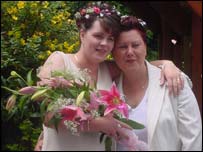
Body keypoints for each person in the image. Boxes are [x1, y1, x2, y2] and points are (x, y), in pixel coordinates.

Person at [34, 2, 184, 151]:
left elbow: (138, 63)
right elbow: (49, 117)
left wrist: (167, 64)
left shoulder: (108, 69)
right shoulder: (59, 61)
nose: (105, 43)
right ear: (82, 34)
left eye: (111, 38)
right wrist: (100, 124)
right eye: (98, 36)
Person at [112, 15, 202, 151]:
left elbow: (193, 138)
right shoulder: (108, 86)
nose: (130, 52)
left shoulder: (173, 80)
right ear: (113, 52)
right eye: (123, 47)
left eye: (135, 45)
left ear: (145, 47)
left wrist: (167, 64)